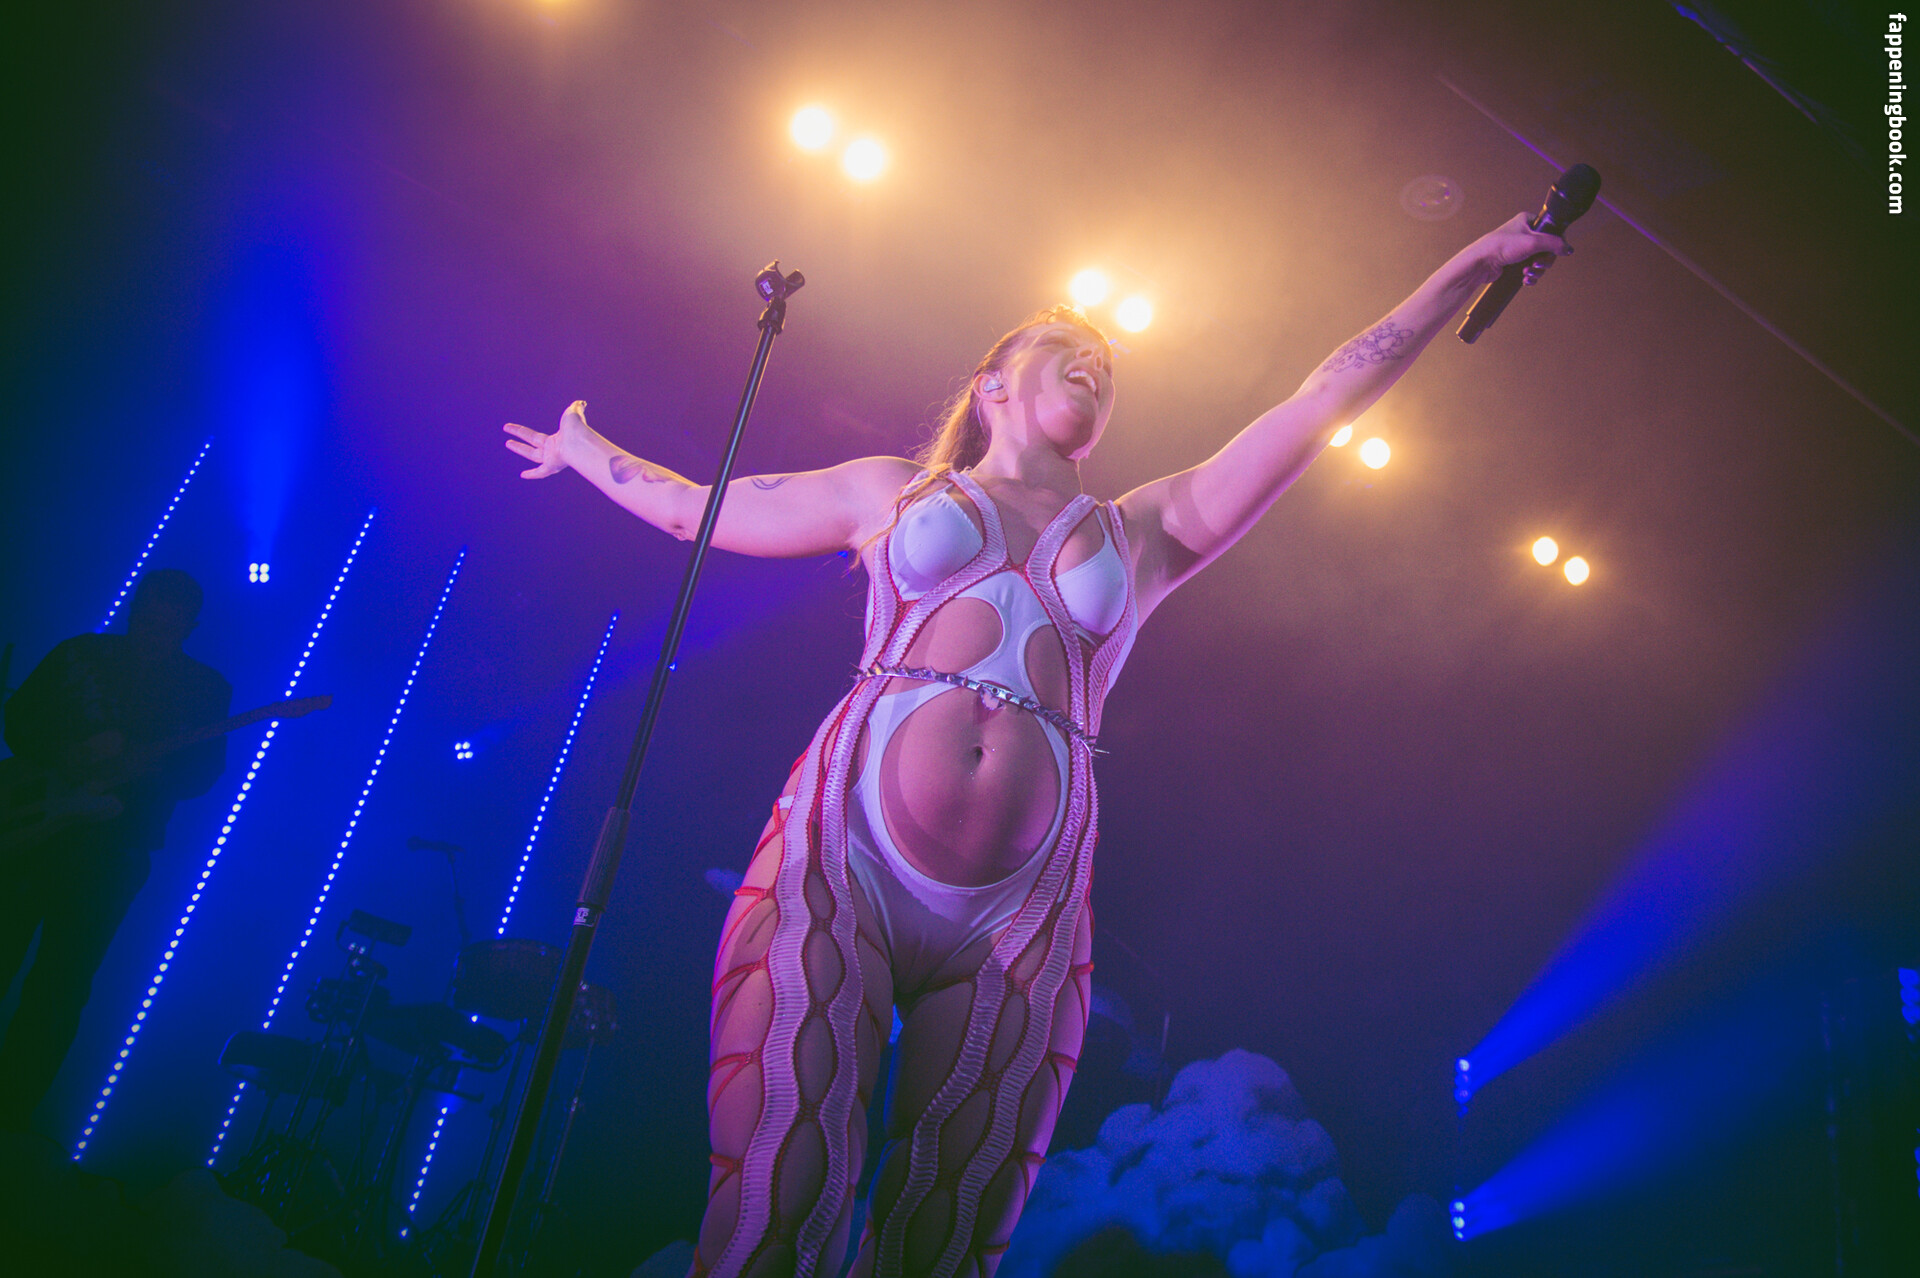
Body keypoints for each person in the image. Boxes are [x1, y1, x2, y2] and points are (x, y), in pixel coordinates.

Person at [503, 212, 1571, 1278]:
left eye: (1107, 365)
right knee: (777, 1212)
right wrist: (583, 450)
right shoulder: (894, 492)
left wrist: (1475, 262)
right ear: (993, 386)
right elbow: (696, 511)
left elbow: (1322, 399)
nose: (1095, 363)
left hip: (1020, 918)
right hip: (840, 863)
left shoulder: (1147, 531)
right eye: (1069, 347)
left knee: (940, 1254)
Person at [0, 568, 231, 1132]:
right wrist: (71, 754)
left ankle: (8, 1117)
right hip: (31, 833)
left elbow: (202, 774)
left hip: (112, 852)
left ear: (189, 626)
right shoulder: (80, 653)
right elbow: (19, 720)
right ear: (134, 608)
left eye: (166, 624)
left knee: (60, 985)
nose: (153, 631)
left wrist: (145, 769)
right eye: (147, 618)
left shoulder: (205, 689)